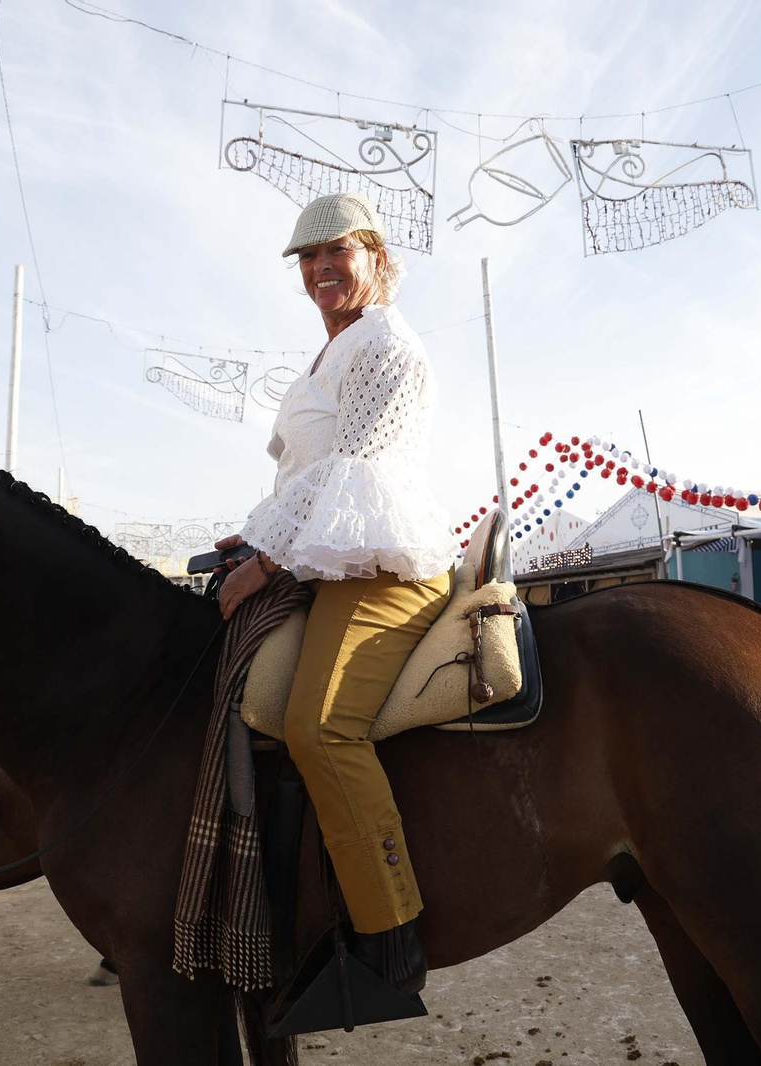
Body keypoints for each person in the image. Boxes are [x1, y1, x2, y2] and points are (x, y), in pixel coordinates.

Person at [212, 193, 453, 994]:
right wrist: (256, 539)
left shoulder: (386, 343)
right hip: (328, 556)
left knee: (319, 728)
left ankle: (390, 931)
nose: (320, 268)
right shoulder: (330, 353)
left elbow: (353, 468)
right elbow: (303, 476)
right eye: (308, 257)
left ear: (376, 258)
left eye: (336, 251)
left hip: (381, 565)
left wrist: (265, 561)